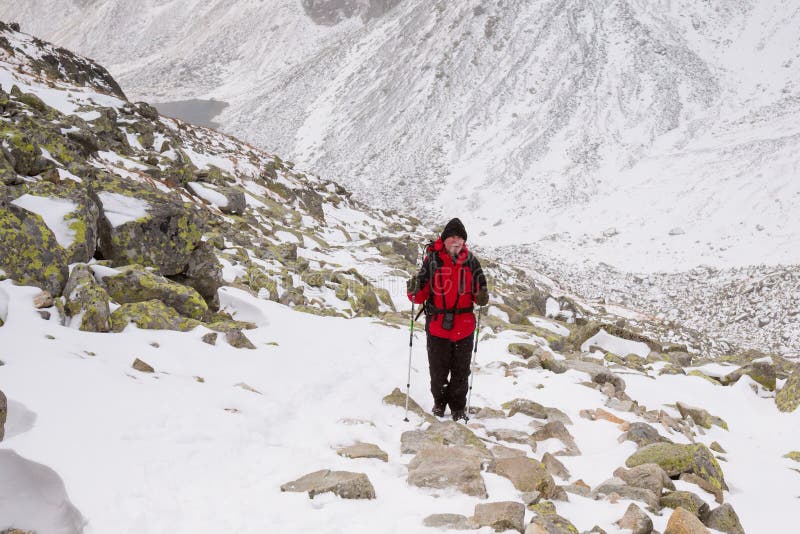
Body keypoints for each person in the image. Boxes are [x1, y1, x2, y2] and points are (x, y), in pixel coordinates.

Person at [407, 218, 489, 421]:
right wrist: (413, 290)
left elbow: (481, 290)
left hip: (465, 327)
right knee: (438, 371)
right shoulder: (432, 261)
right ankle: (439, 403)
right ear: (444, 240)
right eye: (453, 236)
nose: (457, 240)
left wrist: (482, 296)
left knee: (461, 371)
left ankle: (458, 407)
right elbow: (419, 296)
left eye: (461, 237)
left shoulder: (471, 261)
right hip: (438, 327)